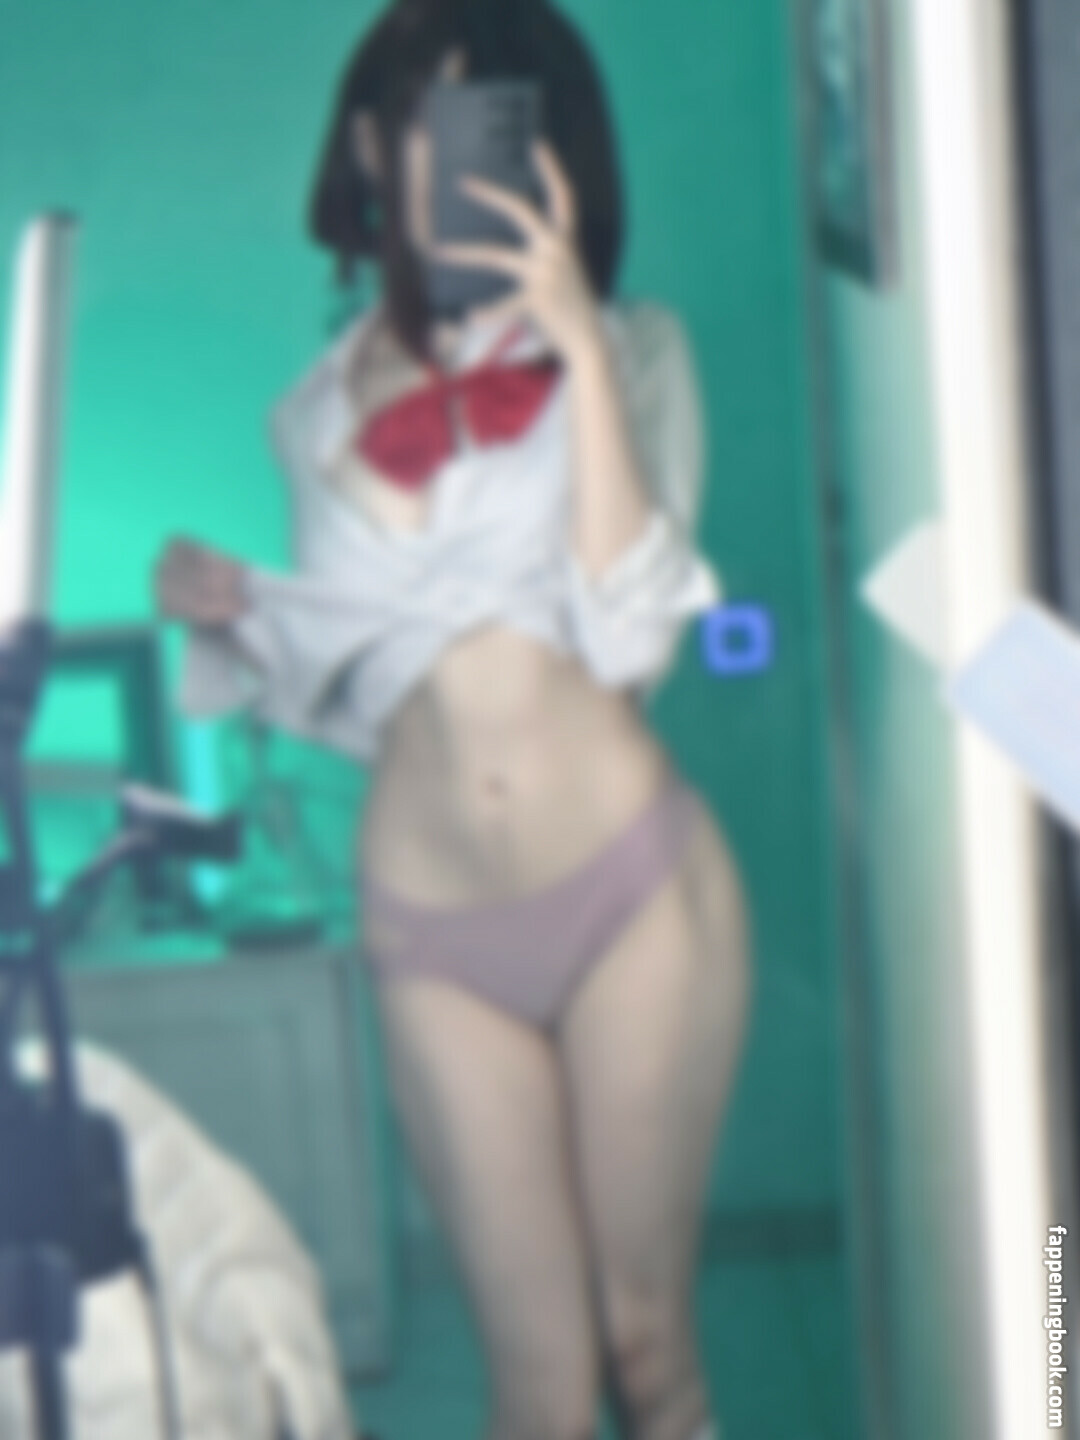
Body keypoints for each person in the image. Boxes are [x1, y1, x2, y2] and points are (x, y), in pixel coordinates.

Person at [155, 2, 752, 1437]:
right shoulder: (311, 415)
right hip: (431, 928)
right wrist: (223, 607)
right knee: (537, 1390)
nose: (444, 160)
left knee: (648, 1350)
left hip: (627, 894)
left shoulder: (636, 352)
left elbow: (630, 638)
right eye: (418, 121)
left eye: (490, 124)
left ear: (551, 154)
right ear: (370, 146)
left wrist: (577, 348)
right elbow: (361, 690)